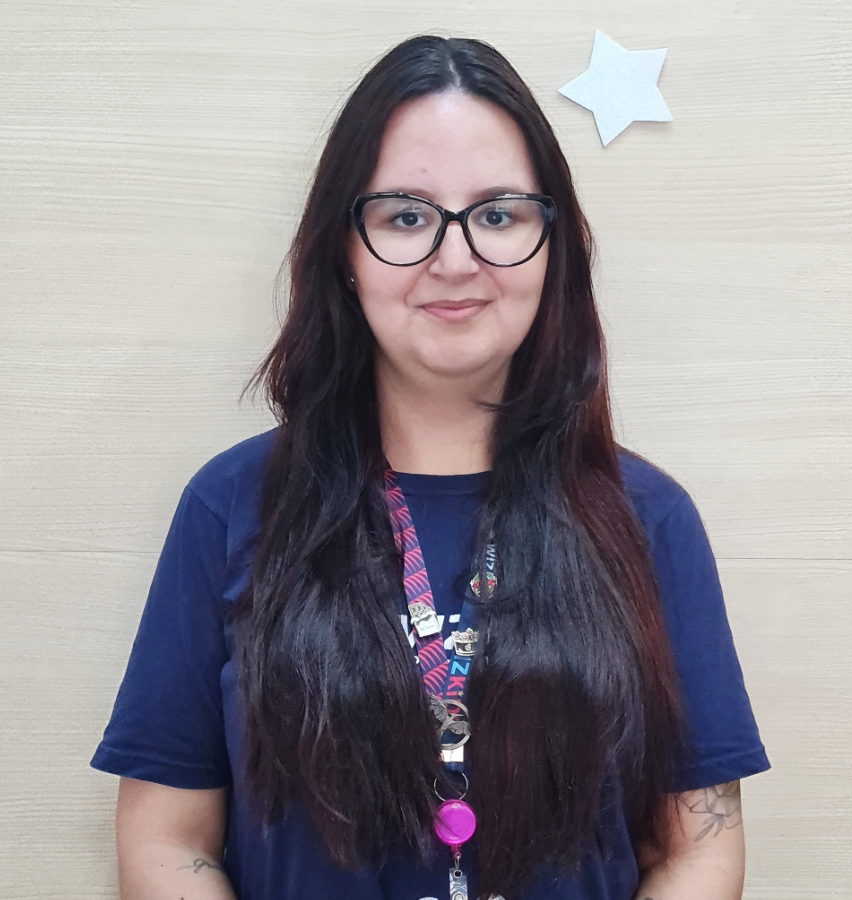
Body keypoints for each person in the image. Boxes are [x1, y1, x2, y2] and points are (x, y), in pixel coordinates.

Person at [91, 35, 770, 900]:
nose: (455, 261)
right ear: (344, 251)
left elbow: (699, 850)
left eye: (499, 215)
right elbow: (165, 842)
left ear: (553, 244)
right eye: (406, 217)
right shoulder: (230, 505)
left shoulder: (649, 517)